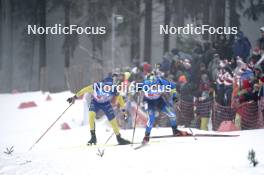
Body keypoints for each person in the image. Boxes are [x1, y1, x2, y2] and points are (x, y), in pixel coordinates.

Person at [67, 75, 130, 145]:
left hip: (106, 104)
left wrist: (124, 112)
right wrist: (74, 97)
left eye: (109, 87)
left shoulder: (114, 89)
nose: (107, 88)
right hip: (95, 102)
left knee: (112, 120)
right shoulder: (96, 86)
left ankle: (119, 138)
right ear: (103, 84)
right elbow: (84, 90)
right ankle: (93, 138)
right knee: (91, 115)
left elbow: (121, 100)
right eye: (106, 86)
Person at [138, 73, 189, 143]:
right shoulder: (145, 83)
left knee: (172, 114)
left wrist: (174, 96)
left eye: (156, 85)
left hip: (159, 101)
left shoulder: (161, 82)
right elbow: (136, 88)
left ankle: (175, 130)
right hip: (149, 102)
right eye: (152, 85)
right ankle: (146, 136)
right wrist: (137, 90)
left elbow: (173, 86)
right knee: (151, 118)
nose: (154, 86)